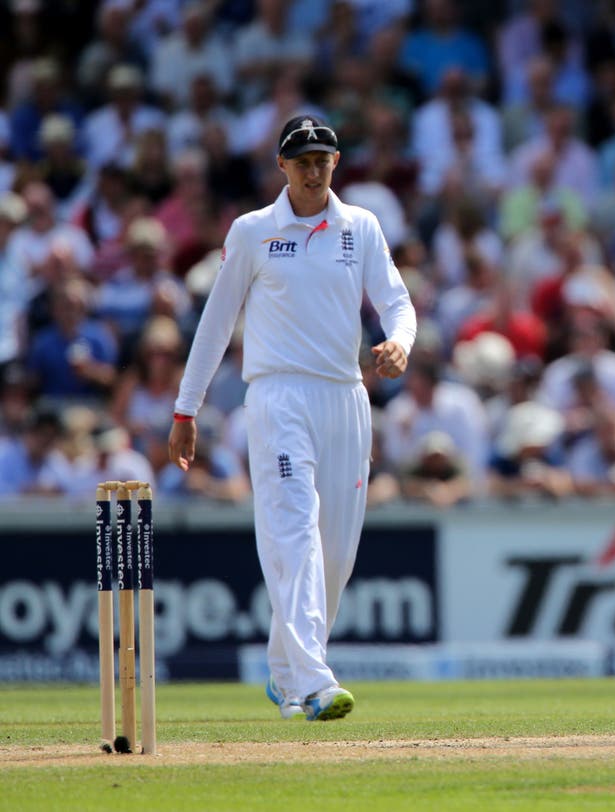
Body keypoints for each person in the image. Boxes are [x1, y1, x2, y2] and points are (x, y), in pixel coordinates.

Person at [168, 115, 417, 722]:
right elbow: (217, 322)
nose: (313, 170)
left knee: (336, 554)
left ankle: (285, 673)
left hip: (345, 397)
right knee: (295, 532)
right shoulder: (254, 232)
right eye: (301, 160)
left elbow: (397, 302)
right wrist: (186, 406)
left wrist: (400, 342)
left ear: (336, 163)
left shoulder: (361, 226)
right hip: (278, 397)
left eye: (323, 159)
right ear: (281, 165)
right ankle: (314, 682)